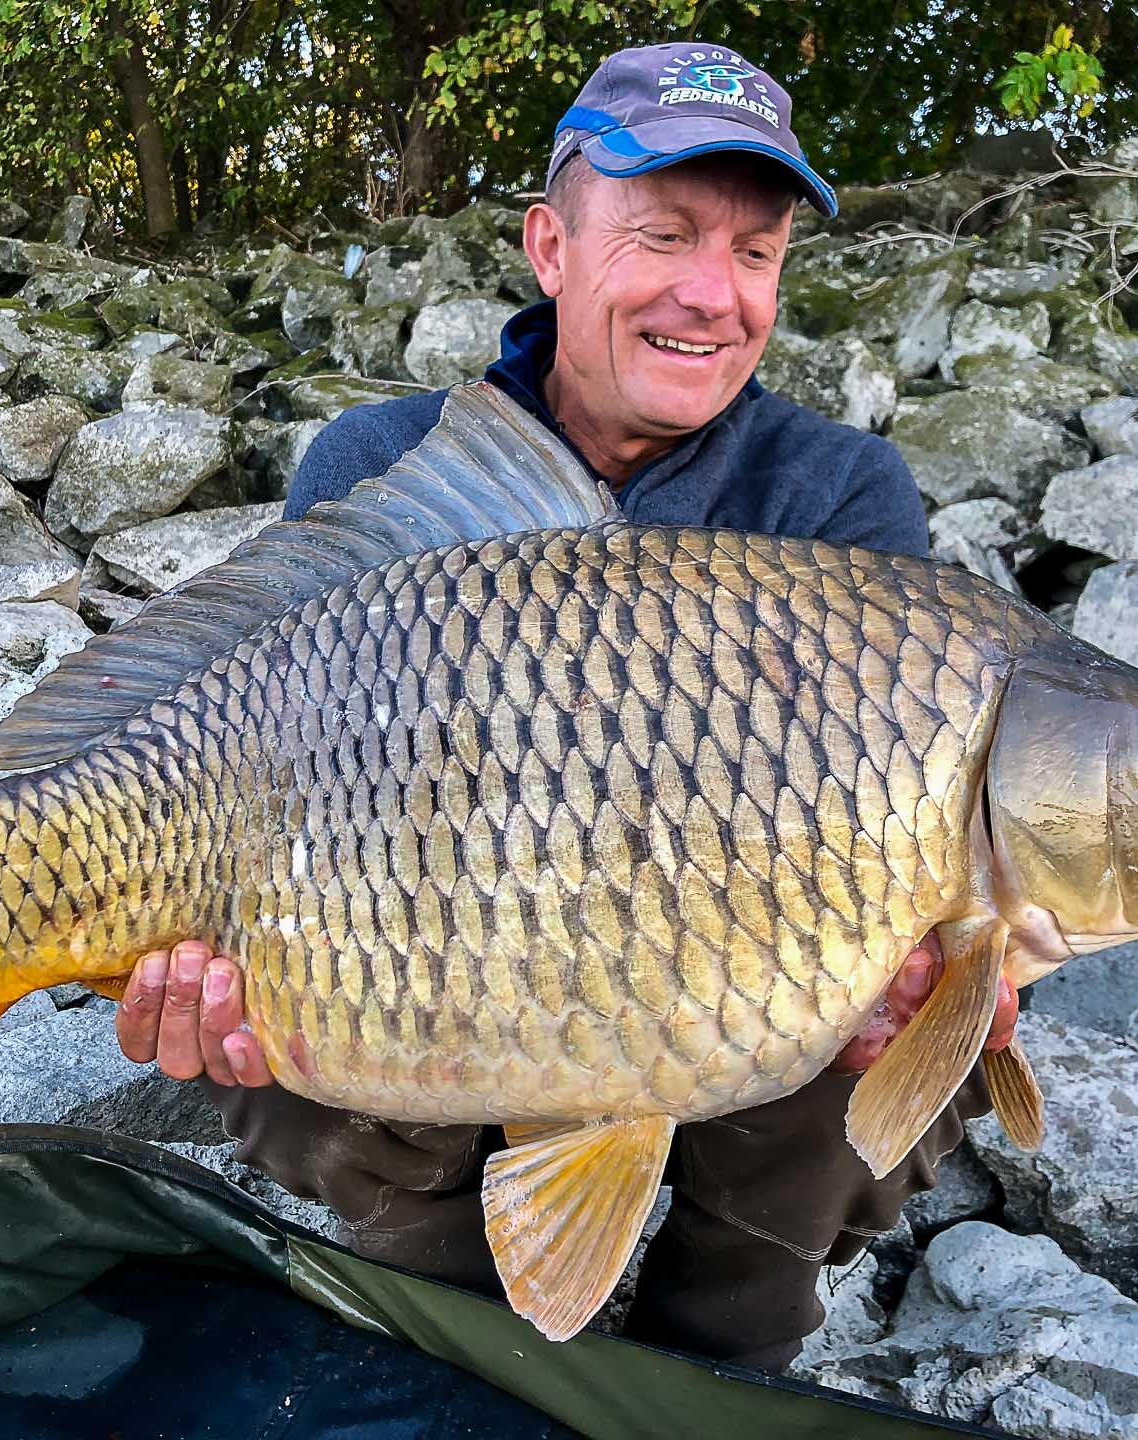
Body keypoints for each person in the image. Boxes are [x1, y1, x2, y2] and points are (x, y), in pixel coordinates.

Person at [111, 42, 1018, 1372]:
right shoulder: (387, 466)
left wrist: (930, 966)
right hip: (439, 974)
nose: (714, 296)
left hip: (721, 994)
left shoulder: (835, 498)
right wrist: (200, 946)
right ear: (549, 247)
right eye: (663, 235)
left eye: (755, 254)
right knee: (272, 1027)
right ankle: (458, 1332)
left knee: (897, 1036)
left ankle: (721, 1351)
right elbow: (271, 771)